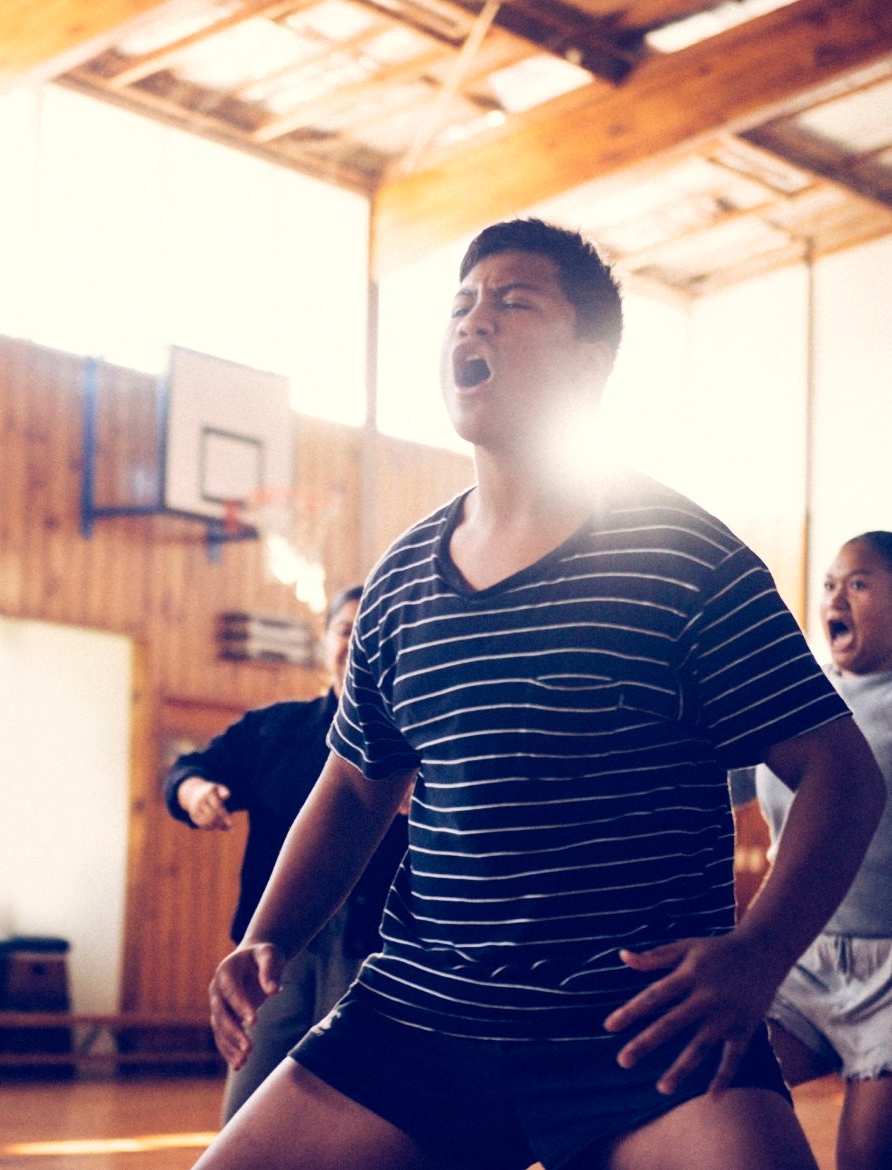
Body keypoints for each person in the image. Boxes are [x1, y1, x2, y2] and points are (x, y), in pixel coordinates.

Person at [193, 218, 886, 1170]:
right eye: (462, 304)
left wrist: (759, 954)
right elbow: (356, 789)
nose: (474, 321)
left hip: (637, 1028)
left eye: (513, 302)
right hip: (419, 1017)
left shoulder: (686, 559)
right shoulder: (399, 584)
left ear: (588, 366)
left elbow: (842, 775)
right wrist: (266, 936)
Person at [165, 586, 409, 1122]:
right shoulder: (275, 729)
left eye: (370, 629)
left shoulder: (415, 736)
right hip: (277, 951)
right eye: (346, 629)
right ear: (325, 643)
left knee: (357, 1113)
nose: (356, 641)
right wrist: (195, 791)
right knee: (249, 1111)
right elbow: (187, 770)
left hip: (376, 953)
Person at [757, 531, 892, 1170]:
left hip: (890, 976)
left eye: (860, 582)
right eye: (831, 583)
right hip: (796, 949)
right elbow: (705, 778)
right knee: (704, 1093)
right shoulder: (798, 699)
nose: (836, 595)